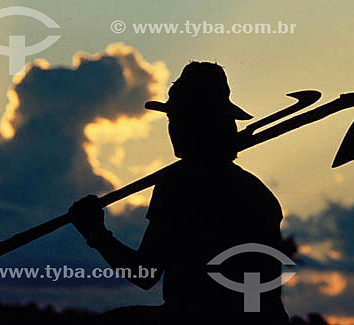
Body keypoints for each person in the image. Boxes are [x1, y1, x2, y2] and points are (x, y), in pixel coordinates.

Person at [69, 61, 290, 324]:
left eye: (179, 118)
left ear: (198, 123)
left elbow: (145, 273)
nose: (173, 128)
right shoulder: (257, 191)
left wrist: (96, 233)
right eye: (172, 119)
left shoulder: (179, 184)